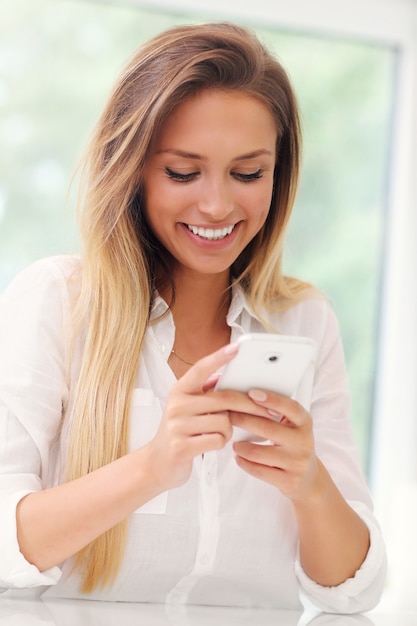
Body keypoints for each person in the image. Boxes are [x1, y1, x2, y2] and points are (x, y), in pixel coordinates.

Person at [0, 22, 386, 612]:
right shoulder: (57, 300)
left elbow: (352, 592)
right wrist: (154, 465)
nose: (217, 205)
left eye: (248, 173)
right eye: (184, 172)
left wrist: (310, 484)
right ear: (133, 170)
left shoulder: (303, 319)